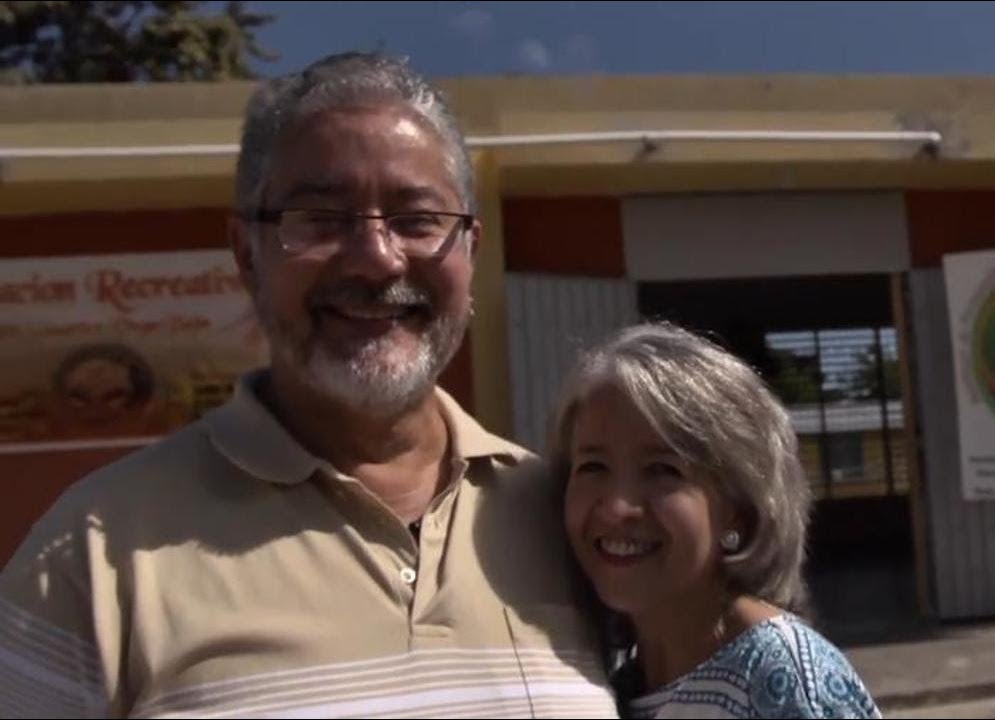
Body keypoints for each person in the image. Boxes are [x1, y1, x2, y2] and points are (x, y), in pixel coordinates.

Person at [0, 53, 616, 718]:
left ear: (470, 247)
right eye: (321, 219)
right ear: (246, 255)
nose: (377, 258)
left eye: (416, 219)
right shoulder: (94, 554)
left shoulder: (576, 522)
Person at [549, 323, 881, 719]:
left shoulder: (781, 679)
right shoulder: (610, 685)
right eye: (593, 466)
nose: (617, 507)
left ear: (737, 509)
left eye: (662, 470)